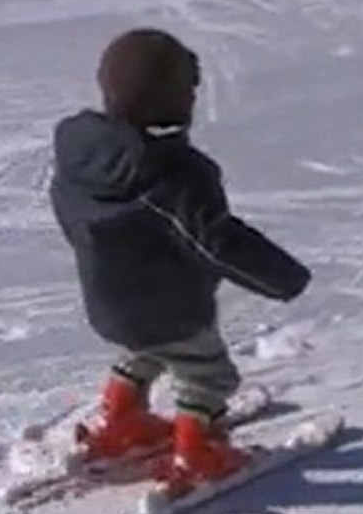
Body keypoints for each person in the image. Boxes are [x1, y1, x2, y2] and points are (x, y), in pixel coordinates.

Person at [50, 28, 311, 483]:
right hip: (171, 307)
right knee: (209, 374)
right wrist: (281, 277)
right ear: (168, 99)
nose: (194, 98)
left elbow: (73, 220)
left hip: (107, 302)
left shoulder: (81, 161)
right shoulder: (173, 175)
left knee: (144, 351)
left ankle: (121, 421)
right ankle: (197, 450)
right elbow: (214, 241)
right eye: (188, 89)